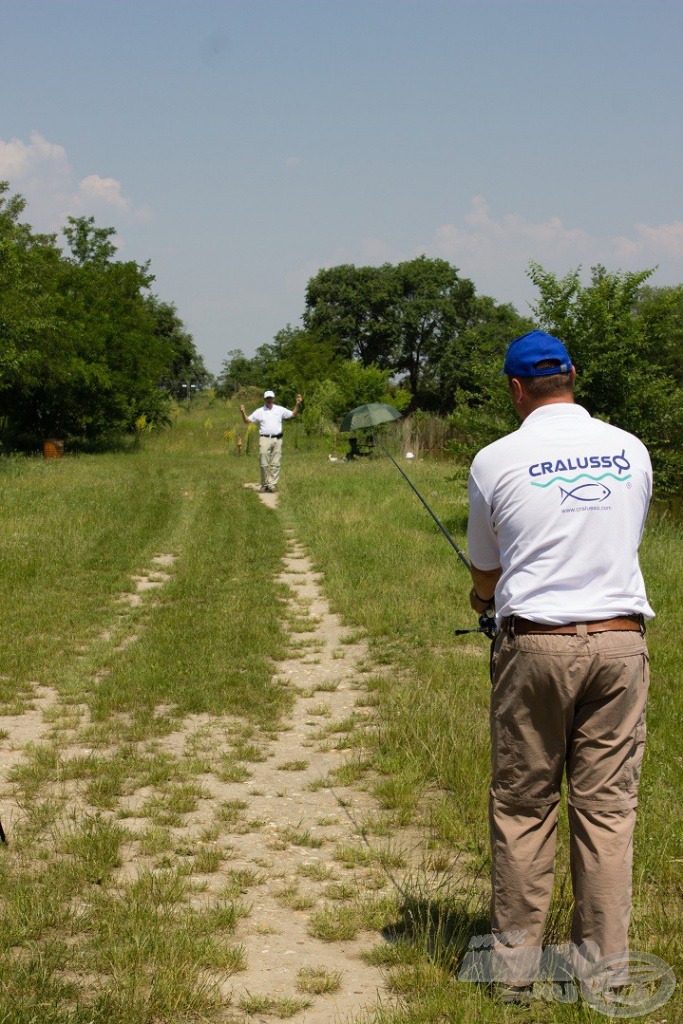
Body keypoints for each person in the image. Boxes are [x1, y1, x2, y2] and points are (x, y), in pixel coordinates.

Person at [466, 330, 653, 1003]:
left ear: (515, 389)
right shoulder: (630, 449)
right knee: (605, 812)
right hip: (618, 641)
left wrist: (480, 599)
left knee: (523, 806)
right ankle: (602, 975)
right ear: (572, 374)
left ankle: (514, 976)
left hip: (535, 644)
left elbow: (487, 566)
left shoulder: (495, 459)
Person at [240, 390, 302, 492]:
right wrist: (243, 412)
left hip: (278, 439)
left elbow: (293, 415)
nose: (269, 400)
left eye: (271, 398)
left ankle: (272, 484)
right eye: (267, 398)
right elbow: (247, 420)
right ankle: (264, 484)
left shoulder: (279, 409)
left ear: (273, 399)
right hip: (264, 438)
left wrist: (297, 404)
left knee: (276, 463)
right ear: (264, 399)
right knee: (263, 463)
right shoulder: (259, 411)